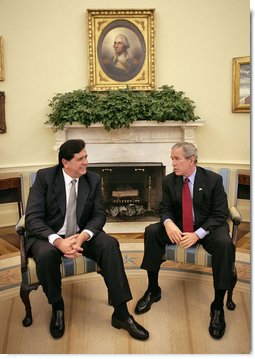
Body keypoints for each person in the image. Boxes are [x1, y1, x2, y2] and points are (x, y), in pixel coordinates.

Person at [25, 139, 149, 341]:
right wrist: (59, 241)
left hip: (80, 234)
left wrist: (82, 237)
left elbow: (99, 215)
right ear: (65, 162)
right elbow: (33, 218)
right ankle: (57, 307)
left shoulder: (92, 179)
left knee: (110, 245)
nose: (86, 162)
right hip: (49, 235)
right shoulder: (45, 178)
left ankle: (121, 313)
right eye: (81, 158)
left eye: (86, 157)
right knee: (46, 255)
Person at [134, 142, 234, 340]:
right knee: (151, 231)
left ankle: (217, 306)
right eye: (171, 158)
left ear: (191, 160)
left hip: (208, 228)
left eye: (176, 158)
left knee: (225, 244)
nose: (172, 163)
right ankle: (153, 289)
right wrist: (169, 223)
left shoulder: (213, 179)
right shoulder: (170, 180)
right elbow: (164, 208)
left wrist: (198, 234)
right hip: (179, 227)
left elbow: (220, 214)